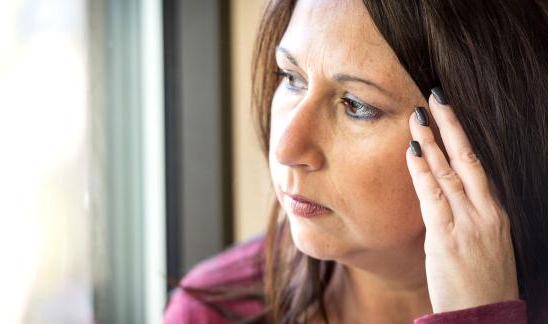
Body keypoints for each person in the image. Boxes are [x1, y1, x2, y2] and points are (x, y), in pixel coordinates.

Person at [164, 0, 548, 323]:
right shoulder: (212, 311)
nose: (286, 149)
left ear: (482, 134)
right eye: (291, 77)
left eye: (356, 105)